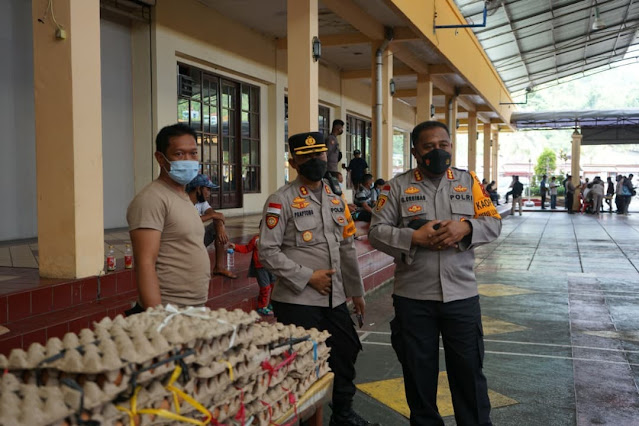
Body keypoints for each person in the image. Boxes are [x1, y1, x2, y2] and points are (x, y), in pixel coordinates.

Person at [368, 121, 501, 426]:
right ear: (415, 151)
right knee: (419, 375)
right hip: (414, 299)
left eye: (444, 145)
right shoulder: (395, 187)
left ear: (451, 147)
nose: (438, 152)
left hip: (462, 296)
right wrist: (413, 238)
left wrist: (465, 227)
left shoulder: (469, 183)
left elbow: (493, 223)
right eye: (429, 147)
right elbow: (376, 232)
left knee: (469, 373)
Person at [258, 132, 377, 426]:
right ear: (293, 161)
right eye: (307, 157)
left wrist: (357, 293)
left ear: (327, 157)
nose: (315, 161)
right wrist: (307, 277)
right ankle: (306, 420)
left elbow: (347, 247)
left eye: (319, 155)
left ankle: (343, 414)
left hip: (335, 298)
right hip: (298, 301)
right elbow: (267, 252)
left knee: (346, 353)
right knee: (303, 364)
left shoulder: (336, 200)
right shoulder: (280, 201)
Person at [126, 123, 211, 312]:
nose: (188, 160)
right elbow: (145, 262)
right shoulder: (151, 199)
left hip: (191, 308)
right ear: (160, 158)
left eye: (193, 153)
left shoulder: (183, 197)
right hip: (167, 311)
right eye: (179, 154)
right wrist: (157, 317)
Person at [186, 174, 237, 279]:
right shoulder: (183, 201)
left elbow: (214, 214)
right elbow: (189, 222)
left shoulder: (201, 202)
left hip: (195, 240)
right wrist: (213, 215)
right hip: (183, 245)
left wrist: (220, 226)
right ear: (198, 188)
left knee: (216, 225)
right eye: (208, 189)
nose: (209, 193)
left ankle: (218, 267)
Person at [229, 227, 275, 316]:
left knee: (274, 285)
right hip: (261, 268)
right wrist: (235, 247)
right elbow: (247, 248)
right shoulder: (256, 240)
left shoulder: (274, 238)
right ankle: (262, 307)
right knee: (265, 287)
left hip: (272, 266)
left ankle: (271, 304)